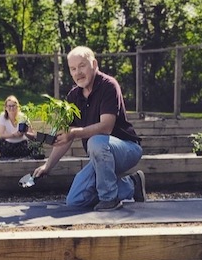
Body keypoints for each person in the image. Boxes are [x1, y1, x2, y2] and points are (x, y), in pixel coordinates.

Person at [33, 46, 146, 210]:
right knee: (75, 200)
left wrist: (74, 133)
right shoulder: (73, 96)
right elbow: (66, 138)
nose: (77, 72)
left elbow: (106, 127)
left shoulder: (109, 85)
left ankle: (110, 199)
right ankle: (132, 184)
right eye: (73, 68)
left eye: (82, 66)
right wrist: (47, 166)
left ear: (94, 64)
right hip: (99, 157)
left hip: (126, 149)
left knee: (96, 141)